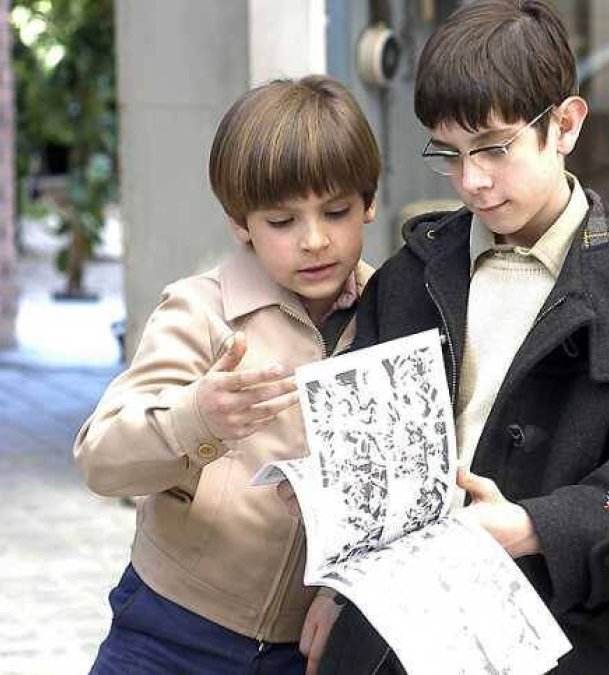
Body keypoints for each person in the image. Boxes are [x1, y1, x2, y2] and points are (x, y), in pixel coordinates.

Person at [315, 1, 609, 672]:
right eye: (450, 154)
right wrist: (333, 590)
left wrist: (531, 528)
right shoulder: (412, 275)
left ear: (566, 124)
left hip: (569, 633)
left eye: (494, 148)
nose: (472, 181)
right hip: (397, 627)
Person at [74, 75, 381, 674]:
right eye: (281, 221)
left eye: (336, 211)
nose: (314, 240)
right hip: (169, 628)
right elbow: (100, 459)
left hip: (310, 648)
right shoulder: (200, 311)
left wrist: (339, 592)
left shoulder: (393, 314)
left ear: (368, 202)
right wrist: (196, 418)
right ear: (241, 224)